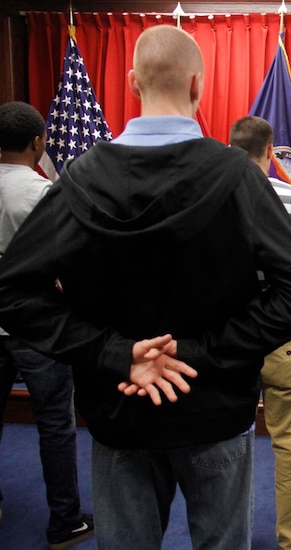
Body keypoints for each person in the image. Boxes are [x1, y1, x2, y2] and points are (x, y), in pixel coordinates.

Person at [0, 25, 291, 550]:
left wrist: (115, 353)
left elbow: (13, 293)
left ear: (132, 83)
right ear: (199, 86)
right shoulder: (240, 178)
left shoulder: (77, 179)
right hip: (214, 406)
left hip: (119, 410)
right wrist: (200, 354)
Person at [0, 101, 94, 549]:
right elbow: (71, 264)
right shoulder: (41, 194)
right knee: (55, 424)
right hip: (36, 328)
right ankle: (64, 521)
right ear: (39, 142)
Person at [229, 115, 291, 550]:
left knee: (229, 445)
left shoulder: (209, 199)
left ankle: (232, 538)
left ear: (230, 148)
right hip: (282, 341)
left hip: (227, 342)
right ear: (269, 153)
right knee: (288, 444)